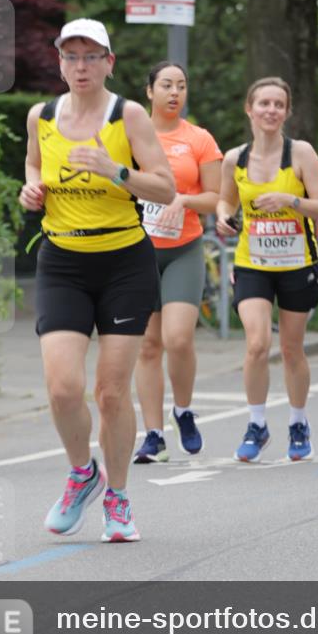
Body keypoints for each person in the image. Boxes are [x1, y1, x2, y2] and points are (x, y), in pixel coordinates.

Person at [19, 19, 175, 542]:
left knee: (110, 393)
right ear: (59, 63)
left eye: (91, 56)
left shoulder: (127, 115)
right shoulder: (41, 115)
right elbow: (33, 166)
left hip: (124, 263)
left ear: (110, 62)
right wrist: (31, 190)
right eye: (71, 56)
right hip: (62, 261)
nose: (80, 66)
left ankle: (119, 498)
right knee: (63, 387)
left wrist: (117, 171)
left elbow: (166, 189)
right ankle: (83, 473)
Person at [216, 77, 318, 462]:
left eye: (278, 104)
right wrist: (223, 218)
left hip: (297, 263)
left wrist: (290, 200)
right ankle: (257, 424)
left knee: (291, 348)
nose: (271, 110)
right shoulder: (234, 159)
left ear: (287, 111)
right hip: (253, 263)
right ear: (249, 109)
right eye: (264, 103)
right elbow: (225, 202)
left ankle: (298, 423)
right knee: (257, 343)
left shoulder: (301, 153)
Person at [133, 62, 222, 463]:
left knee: (178, 338)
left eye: (181, 86)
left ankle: (183, 411)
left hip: (184, 248)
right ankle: (153, 436)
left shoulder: (198, 139)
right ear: (149, 91)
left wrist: (182, 199)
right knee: (148, 345)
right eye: (166, 85)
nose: (174, 93)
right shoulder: (129, 135)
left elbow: (215, 198)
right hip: (137, 251)